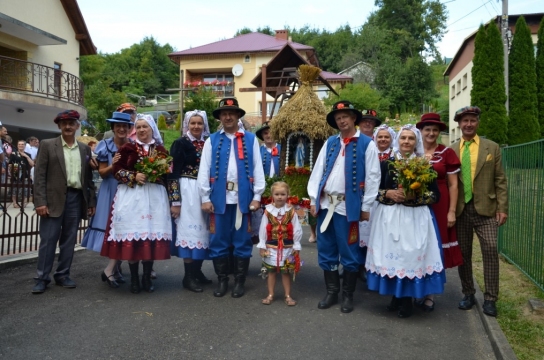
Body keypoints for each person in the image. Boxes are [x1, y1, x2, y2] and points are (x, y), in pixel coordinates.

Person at [307, 100, 381, 313]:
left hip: (348, 209)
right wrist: (314, 200)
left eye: (345, 117)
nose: (341, 120)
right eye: (338, 118)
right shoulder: (331, 142)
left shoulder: (367, 144)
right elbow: (317, 171)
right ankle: (332, 292)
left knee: (349, 251)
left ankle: (347, 295)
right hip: (325, 204)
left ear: (353, 119)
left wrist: (366, 206)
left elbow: (373, 177)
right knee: (327, 249)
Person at [365, 124, 445, 318]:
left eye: (410, 138)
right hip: (390, 217)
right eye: (403, 138)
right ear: (397, 141)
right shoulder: (386, 164)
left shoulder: (424, 165)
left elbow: (435, 195)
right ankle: (396, 296)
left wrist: (414, 197)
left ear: (416, 141)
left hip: (415, 218)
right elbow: (373, 192)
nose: (406, 142)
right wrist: (389, 193)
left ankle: (407, 299)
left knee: (410, 256)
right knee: (393, 255)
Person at [197, 97, 265, 298]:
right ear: (220, 117)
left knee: (242, 240)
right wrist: (205, 197)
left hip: (243, 200)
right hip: (218, 199)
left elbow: (257, 168)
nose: (227, 117)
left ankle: (239, 282)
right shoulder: (212, 140)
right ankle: (222, 281)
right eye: (224, 114)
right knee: (218, 239)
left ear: (237, 116)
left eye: (231, 113)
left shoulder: (251, 139)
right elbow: (204, 170)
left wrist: (257, 196)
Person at [100, 114, 171, 294]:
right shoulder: (127, 148)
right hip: (131, 196)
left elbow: (168, 175)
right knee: (133, 236)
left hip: (154, 197)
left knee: (150, 235)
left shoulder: (161, 150)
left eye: (144, 127)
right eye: (138, 127)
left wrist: (159, 174)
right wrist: (133, 175)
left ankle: (146, 278)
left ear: (151, 129)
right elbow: (116, 170)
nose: (141, 130)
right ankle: (134, 279)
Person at [450, 106, 508, 317]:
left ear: (477, 123)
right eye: (464, 120)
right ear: (459, 124)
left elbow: (500, 180)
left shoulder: (492, 148)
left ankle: (491, 298)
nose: (468, 124)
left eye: (472, 120)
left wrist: (502, 208)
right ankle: (468, 293)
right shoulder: (452, 149)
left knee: (491, 250)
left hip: (487, 209)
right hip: (461, 210)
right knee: (463, 254)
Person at [31, 110, 96, 294]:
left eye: (71, 123)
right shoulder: (47, 145)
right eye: (64, 123)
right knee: (48, 240)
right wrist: (40, 202)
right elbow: (39, 175)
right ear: (59, 125)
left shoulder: (85, 149)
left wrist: (91, 202)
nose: (68, 126)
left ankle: (63, 275)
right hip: (52, 200)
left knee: (68, 240)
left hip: (76, 198)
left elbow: (88, 179)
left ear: (77, 126)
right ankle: (42, 277)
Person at [415, 113, 463, 310]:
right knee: (416, 246)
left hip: (440, 204)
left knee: (434, 248)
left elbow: (453, 185)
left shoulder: (446, 153)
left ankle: (430, 294)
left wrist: (451, 211)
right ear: (421, 131)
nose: (431, 133)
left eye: (435, 130)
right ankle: (414, 288)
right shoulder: (413, 152)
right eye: (428, 129)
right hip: (415, 205)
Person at [81, 112, 133, 288]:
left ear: (128, 129)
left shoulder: (133, 145)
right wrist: (115, 164)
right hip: (110, 189)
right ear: (113, 128)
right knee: (113, 230)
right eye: (117, 126)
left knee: (124, 229)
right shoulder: (105, 145)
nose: (121, 129)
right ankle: (111, 270)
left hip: (128, 190)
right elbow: (102, 174)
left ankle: (116, 269)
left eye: (124, 126)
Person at [168, 110, 212, 292]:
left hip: (205, 191)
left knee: (204, 231)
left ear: (204, 125)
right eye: (192, 123)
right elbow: (172, 174)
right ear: (187, 124)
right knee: (189, 232)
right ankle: (188, 276)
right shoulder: (180, 143)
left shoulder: (209, 143)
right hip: (187, 191)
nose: (196, 126)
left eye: (199, 123)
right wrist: (175, 202)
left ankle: (197, 271)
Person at [257, 181, 302, 306]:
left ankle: (287, 295)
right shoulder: (268, 211)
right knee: (271, 271)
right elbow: (263, 228)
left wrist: (296, 245)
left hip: (287, 246)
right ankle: (270, 294)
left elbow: (297, 228)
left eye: (283, 194)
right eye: (277, 194)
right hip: (272, 246)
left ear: (288, 195)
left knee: (286, 271)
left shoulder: (291, 211)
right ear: (272, 195)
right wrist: (262, 245)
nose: (280, 197)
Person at [358, 124, 396, 267]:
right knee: (363, 230)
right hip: (368, 198)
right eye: (380, 136)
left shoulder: (395, 155)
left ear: (391, 139)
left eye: (386, 137)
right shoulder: (369, 151)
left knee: (381, 233)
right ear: (375, 138)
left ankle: (377, 265)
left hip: (385, 201)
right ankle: (359, 264)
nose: (383, 139)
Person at [9, 140, 34, 208]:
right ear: (17, 145)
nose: (21, 146)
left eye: (22, 144)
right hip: (16, 171)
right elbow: (10, 164)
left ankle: (23, 203)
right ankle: (14, 203)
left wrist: (26, 156)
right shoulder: (13, 154)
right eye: (19, 144)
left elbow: (32, 164)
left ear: (25, 146)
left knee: (25, 189)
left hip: (25, 173)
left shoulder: (28, 154)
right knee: (14, 188)